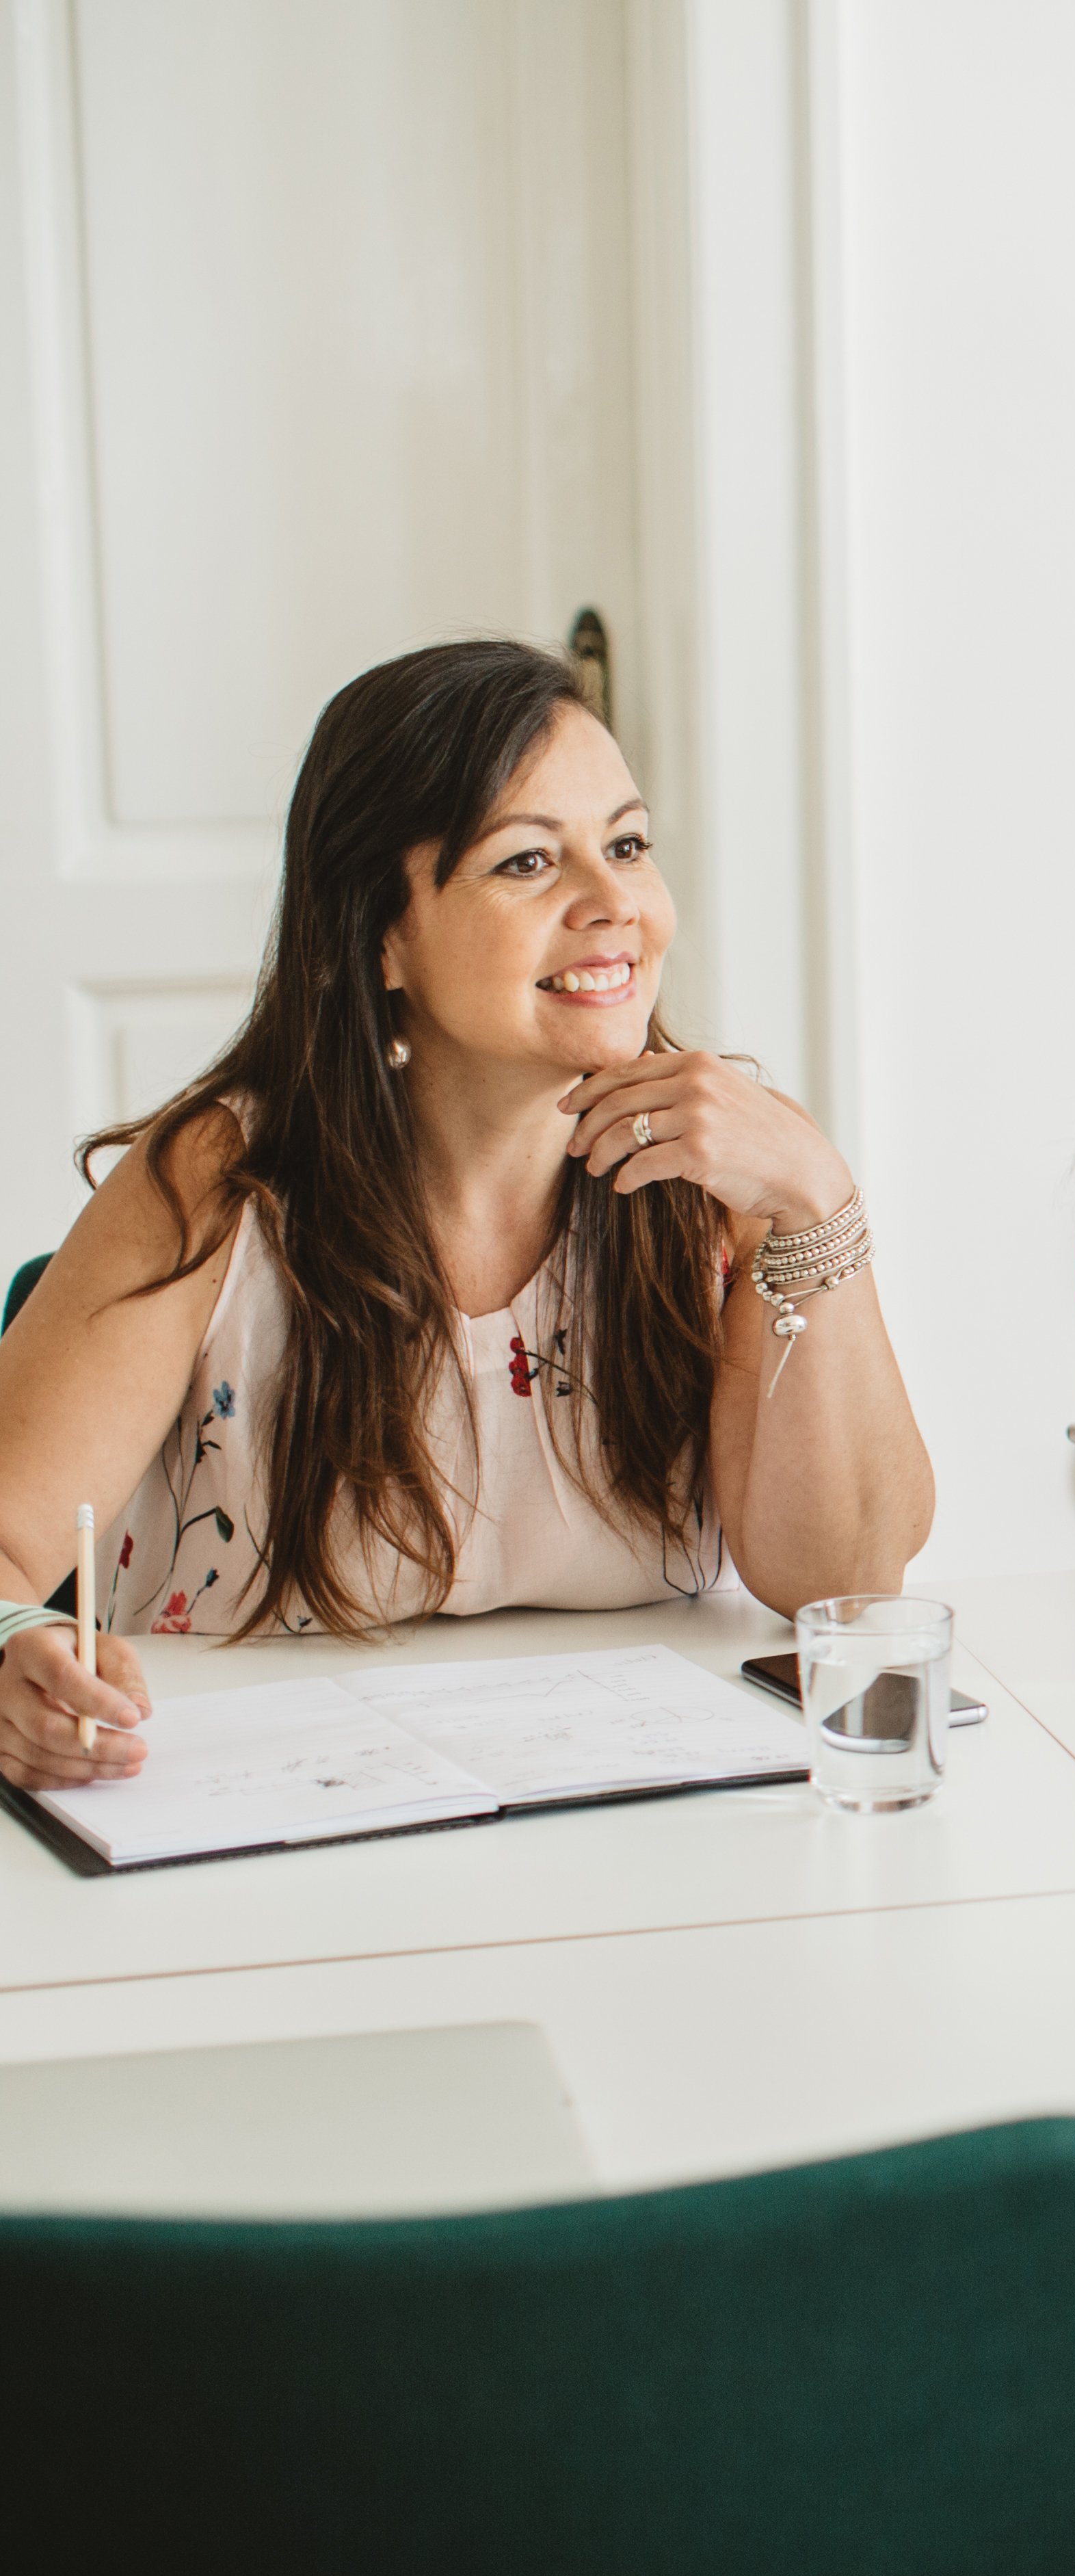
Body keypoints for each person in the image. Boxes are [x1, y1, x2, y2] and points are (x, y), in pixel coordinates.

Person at [0, 641, 932, 1793]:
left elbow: (847, 1578)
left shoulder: (728, 1170)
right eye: (529, 863)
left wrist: (815, 1205)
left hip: (631, 1824)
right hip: (253, 1829)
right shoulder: (218, 1176)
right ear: (382, 933)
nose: (615, 907)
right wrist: (9, 1653)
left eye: (629, 847)